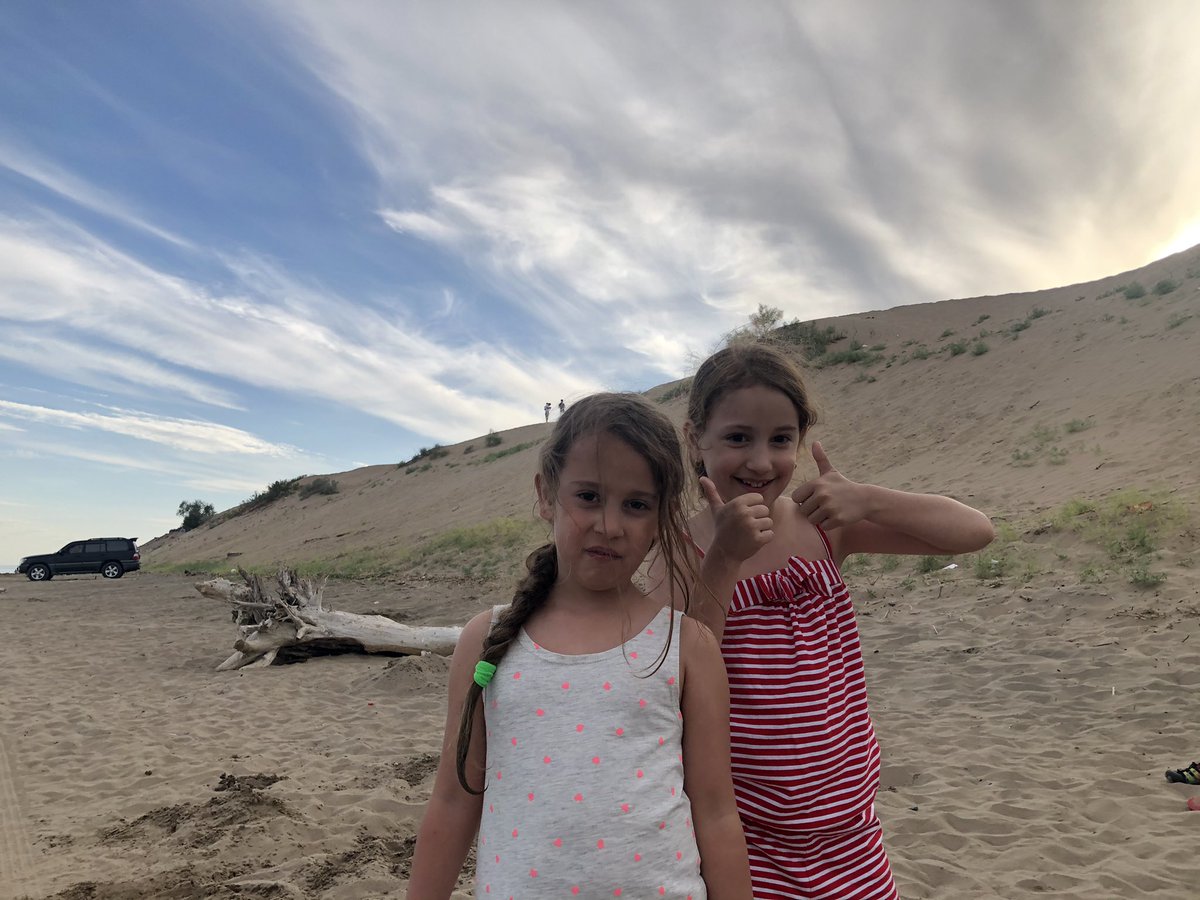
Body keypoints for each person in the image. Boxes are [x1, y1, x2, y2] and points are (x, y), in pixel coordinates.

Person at [655, 342, 994, 900]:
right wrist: (724, 560)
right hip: (749, 839)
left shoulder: (822, 525)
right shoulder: (679, 552)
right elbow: (679, 679)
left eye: (780, 439)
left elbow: (974, 532)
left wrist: (869, 499)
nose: (761, 461)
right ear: (695, 439)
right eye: (738, 438)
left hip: (852, 831)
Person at [408, 393, 753, 899]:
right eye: (588, 496)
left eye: (636, 505)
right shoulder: (485, 640)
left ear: (660, 518)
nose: (609, 525)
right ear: (546, 495)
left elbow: (717, 812)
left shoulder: (687, 644)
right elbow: (454, 802)